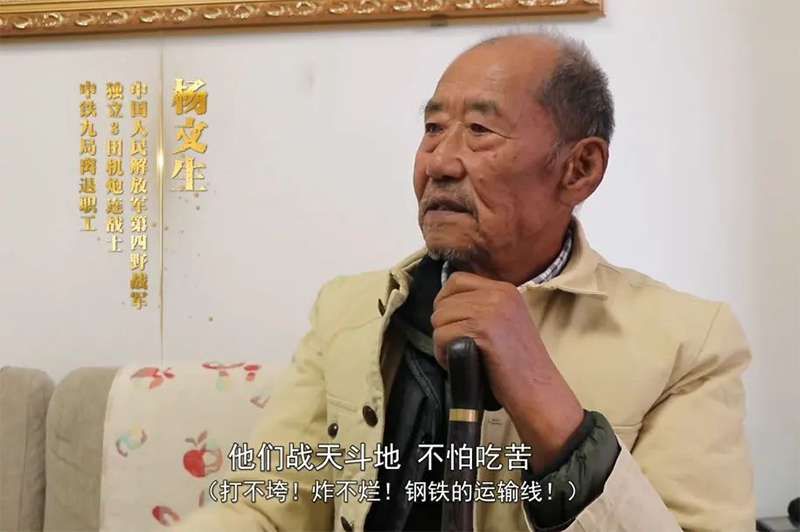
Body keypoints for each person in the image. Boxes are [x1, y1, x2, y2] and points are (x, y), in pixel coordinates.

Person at [174, 32, 754, 532]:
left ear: (578, 168)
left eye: (479, 129)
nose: (439, 162)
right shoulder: (350, 308)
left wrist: (545, 400)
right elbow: (267, 506)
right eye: (432, 128)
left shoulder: (688, 342)